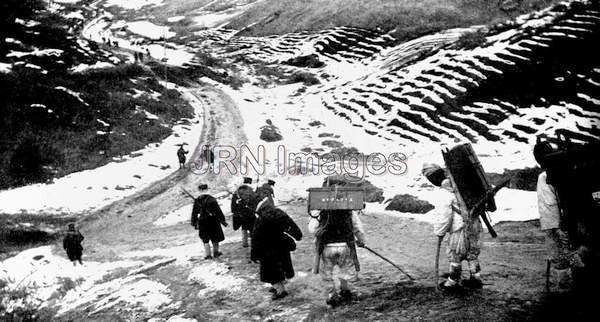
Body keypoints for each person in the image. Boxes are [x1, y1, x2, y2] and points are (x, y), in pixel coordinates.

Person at [423, 163, 483, 291]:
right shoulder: (460, 185)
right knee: (472, 252)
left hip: (459, 228)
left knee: (455, 253)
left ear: (434, 177)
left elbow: (444, 215)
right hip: (474, 224)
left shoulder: (444, 192)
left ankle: (453, 281)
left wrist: (439, 231)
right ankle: (476, 278)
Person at [308, 184, 366, 306]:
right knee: (345, 269)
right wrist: (361, 240)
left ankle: (332, 295)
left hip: (327, 247)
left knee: (327, 273)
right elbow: (357, 228)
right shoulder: (348, 210)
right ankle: (345, 291)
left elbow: (312, 228)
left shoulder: (320, 210)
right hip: (345, 245)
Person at [534, 140, 581, 288]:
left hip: (562, 224)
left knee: (560, 254)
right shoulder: (575, 168)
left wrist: (556, 229)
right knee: (575, 253)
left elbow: (549, 207)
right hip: (579, 221)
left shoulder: (545, 177)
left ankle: (566, 285)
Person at [250, 193, 302, 300]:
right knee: (282, 266)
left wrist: (254, 254)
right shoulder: (278, 212)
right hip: (281, 245)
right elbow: (290, 223)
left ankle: (280, 291)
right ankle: (279, 284)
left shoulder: (260, 220)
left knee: (270, 272)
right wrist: (297, 235)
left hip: (267, 249)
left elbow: (256, 238)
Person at [191, 184, 228, 259]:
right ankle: (216, 252)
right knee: (215, 237)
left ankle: (208, 255)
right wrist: (222, 219)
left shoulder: (197, 200)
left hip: (202, 222)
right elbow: (218, 211)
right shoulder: (212, 199)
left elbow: (194, 213)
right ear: (207, 189)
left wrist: (194, 222)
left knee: (205, 239)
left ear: (200, 190)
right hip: (213, 221)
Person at [231, 177, 256, 248]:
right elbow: (254, 201)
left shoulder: (236, 192)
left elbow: (233, 205)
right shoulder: (250, 190)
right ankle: (253, 242)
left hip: (241, 213)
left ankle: (245, 243)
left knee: (244, 227)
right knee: (252, 228)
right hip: (251, 212)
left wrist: (235, 211)